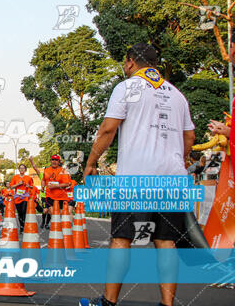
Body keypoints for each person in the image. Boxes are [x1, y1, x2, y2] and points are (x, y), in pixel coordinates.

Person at [82, 42, 195, 306]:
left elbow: (108, 130)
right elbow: (189, 135)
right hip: (173, 180)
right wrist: (181, 158)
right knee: (166, 242)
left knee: (122, 238)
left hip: (136, 179)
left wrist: (91, 162)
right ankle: (167, 304)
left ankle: (109, 302)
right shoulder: (176, 94)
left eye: (125, 62)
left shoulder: (126, 88)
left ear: (131, 61)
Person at [40, 155, 71, 229]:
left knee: (59, 213)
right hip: (49, 195)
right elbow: (44, 180)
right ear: (50, 161)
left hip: (61, 196)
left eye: (56, 160)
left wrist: (55, 186)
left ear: (59, 162)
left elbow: (67, 184)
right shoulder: (46, 170)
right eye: (52, 160)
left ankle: (56, 224)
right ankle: (54, 225)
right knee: (52, 212)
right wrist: (42, 186)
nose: (54, 161)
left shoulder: (63, 171)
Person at [9, 164, 34, 232]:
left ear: (25, 170)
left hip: (25, 196)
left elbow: (32, 187)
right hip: (17, 196)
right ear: (19, 169)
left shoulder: (28, 178)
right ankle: (21, 226)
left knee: (24, 210)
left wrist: (29, 186)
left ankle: (24, 224)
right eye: (20, 168)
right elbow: (11, 187)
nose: (22, 169)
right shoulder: (15, 177)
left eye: (23, 168)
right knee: (19, 212)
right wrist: (18, 184)